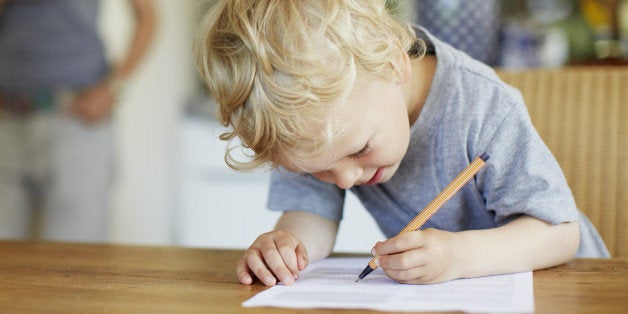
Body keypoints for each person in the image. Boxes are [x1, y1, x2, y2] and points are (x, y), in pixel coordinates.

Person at [193, 0, 610, 287]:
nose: (343, 180)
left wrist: (457, 258)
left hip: (570, 284)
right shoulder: (320, 128)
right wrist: (286, 247)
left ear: (394, 63)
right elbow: (310, 216)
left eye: (359, 151)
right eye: (316, 171)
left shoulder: (483, 105)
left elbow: (560, 233)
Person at [0, 0, 156, 241]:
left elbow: (147, 15)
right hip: (8, 119)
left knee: (75, 257)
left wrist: (113, 88)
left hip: (76, 122)